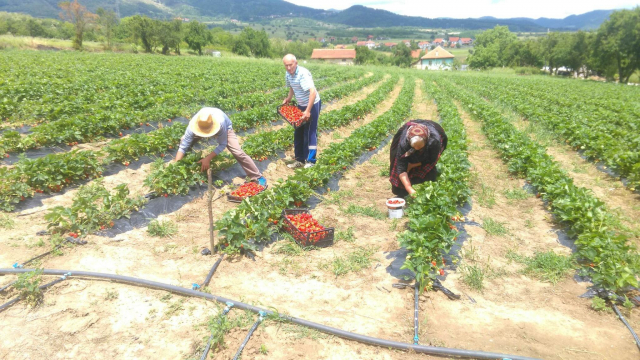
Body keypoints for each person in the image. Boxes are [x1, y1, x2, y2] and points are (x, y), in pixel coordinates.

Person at [175, 107, 267, 186]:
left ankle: (257, 177)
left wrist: (208, 158)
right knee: (184, 140)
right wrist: (177, 166)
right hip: (204, 124)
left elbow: (222, 144)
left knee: (237, 151)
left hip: (225, 127)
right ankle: (186, 164)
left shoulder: (220, 123)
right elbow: (183, 146)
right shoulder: (193, 126)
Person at [281, 54, 321, 169]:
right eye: (286, 65)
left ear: (296, 63)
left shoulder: (303, 74)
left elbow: (312, 92)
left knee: (309, 131)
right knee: (298, 131)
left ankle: (310, 161)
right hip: (301, 105)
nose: (289, 68)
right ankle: (299, 160)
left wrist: (308, 111)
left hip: (312, 104)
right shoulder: (288, 74)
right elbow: (292, 87)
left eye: (290, 65)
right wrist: (289, 98)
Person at [389, 119, 448, 198]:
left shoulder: (434, 141)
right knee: (399, 164)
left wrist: (413, 165)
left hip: (433, 133)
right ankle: (404, 191)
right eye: (414, 147)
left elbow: (432, 159)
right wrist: (409, 188)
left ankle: (426, 188)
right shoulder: (404, 143)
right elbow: (401, 167)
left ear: (426, 141)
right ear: (409, 142)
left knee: (428, 169)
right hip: (411, 141)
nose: (416, 149)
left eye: (419, 147)